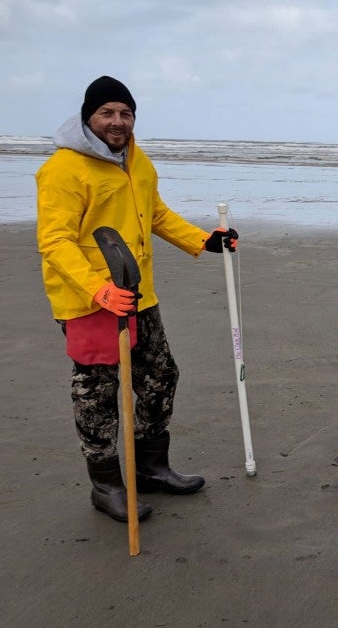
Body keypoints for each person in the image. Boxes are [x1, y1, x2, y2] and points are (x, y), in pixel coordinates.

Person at [36, 75, 239, 523]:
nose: (118, 121)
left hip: (138, 294)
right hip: (90, 302)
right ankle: (106, 485)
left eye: (125, 114)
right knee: (97, 394)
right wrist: (98, 289)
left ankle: (151, 468)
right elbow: (55, 242)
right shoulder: (64, 169)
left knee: (159, 376)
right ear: (88, 116)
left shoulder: (136, 160)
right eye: (107, 113)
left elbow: (156, 214)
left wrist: (204, 241)